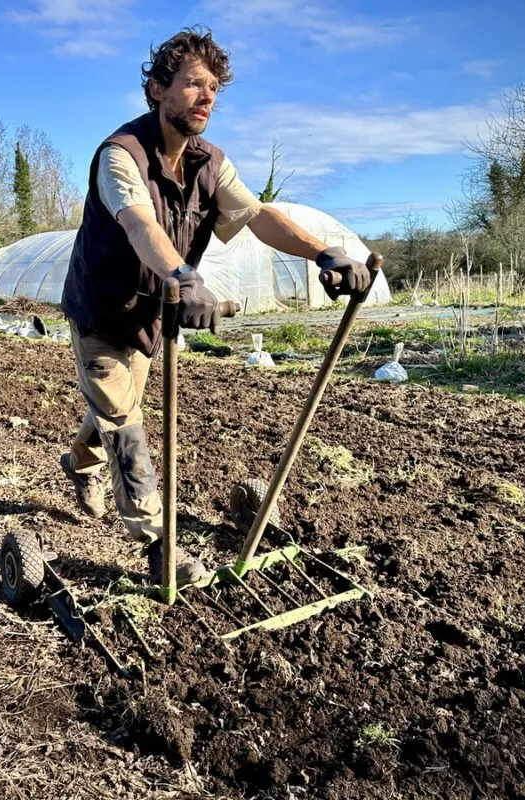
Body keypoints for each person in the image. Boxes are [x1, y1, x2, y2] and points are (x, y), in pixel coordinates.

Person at [60, 27, 372, 586]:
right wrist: (184, 273)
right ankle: (160, 545)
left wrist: (326, 251)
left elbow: (258, 215)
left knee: (116, 402)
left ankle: (80, 460)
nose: (207, 98)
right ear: (157, 89)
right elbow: (139, 222)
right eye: (193, 85)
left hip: (154, 310)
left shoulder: (209, 162)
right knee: (124, 418)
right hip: (105, 310)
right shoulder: (120, 156)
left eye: (213, 89)